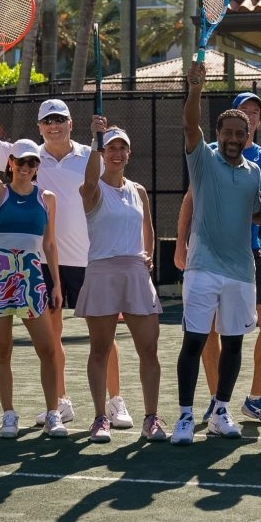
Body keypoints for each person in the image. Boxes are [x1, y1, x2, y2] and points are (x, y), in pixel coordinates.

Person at [0, 84, 130, 429]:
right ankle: (61, 402)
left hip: (92, 259)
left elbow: (114, 194)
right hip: (46, 265)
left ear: (70, 123)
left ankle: (115, 401)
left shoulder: (91, 153)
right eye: (47, 121)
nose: (54, 125)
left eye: (59, 119)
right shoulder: (29, 158)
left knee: (103, 337)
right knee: (53, 337)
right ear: (39, 127)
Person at [171, 60, 261, 445]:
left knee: (234, 344)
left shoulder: (254, 173)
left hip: (241, 271)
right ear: (217, 134)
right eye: (227, 131)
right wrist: (195, 88)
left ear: (247, 137)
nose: (232, 138)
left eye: (239, 133)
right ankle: (183, 417)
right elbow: (189, 124)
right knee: (194, 342)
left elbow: (256, 212)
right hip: (203, 268)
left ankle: (221, 412)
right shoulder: (203, 159)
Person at [0, 94, 65, 438]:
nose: (25, 167)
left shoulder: (47, 198)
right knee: (2, 349)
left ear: (38, 165)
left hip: (32, 276)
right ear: (10, 163)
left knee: (47, 348)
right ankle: (8, 415)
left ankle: (53, 413)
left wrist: (55, 283)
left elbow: (50, 244)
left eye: (31, 162)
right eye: (20, 162)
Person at [75, 120, 166, 443]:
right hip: (102, 273)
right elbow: (88, 177)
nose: (116, 153)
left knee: (149, 349)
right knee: (100, 349)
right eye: (110, 147)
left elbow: (149, 229)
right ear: (102, 153)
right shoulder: (92, 188)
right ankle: (100, 418)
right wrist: (92, 139)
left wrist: (148, 256)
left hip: (136, 275)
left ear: (129, 153)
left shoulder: (138, 190)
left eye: (121, 147)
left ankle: (152, 419)